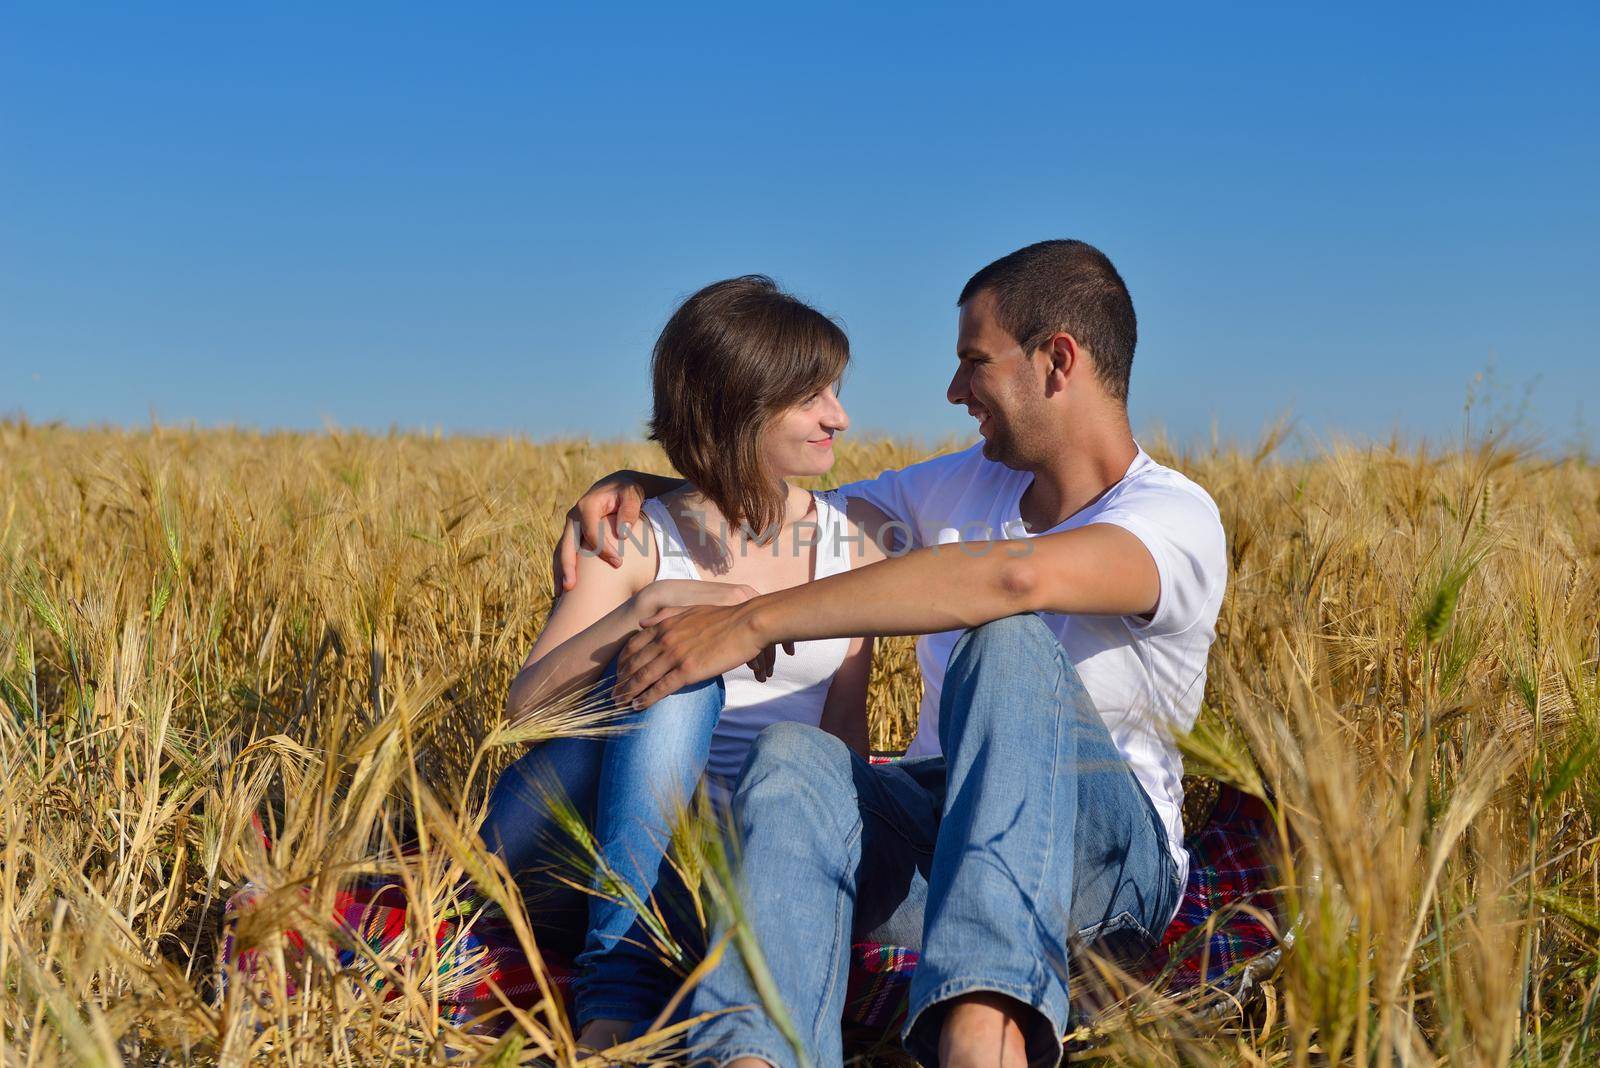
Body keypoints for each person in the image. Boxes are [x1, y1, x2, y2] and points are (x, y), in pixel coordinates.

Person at [554, 240, 1228, 1067]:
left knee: (1007, 642)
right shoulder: (957, 486)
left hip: (1107, 867)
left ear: (1058, 361)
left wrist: (753, 621)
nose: (952, 392)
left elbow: (1015, 579)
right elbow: (779, 501)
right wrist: (648, 486)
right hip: (939, 837)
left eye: (973, 362)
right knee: (793, 757)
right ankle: (753, 1053)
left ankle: (982, 1029)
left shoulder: (1175, 518)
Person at [481, 275, 887, 1050]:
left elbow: (844, 750)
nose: (840, 416)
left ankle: (639, 989)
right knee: (681, 664)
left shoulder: (852, 550)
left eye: (835, 391)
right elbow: (525, 712)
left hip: (729, 867)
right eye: (814, 398)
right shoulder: (636, 536)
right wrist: (644, 612)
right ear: (741, 404)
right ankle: (616, 990)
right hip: (571, 847)